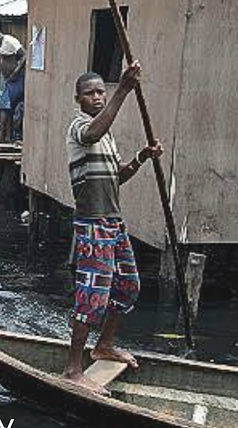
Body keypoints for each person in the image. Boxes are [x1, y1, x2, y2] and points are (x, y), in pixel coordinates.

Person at [64, 62, 163, 395]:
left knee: (128, 287)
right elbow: (93, 133)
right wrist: (123, 90)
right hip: (92, 224)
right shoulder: (80, 128)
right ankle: (73, 369)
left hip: (113, 223)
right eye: (90, 93)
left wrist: (142, 157)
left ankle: (103, 346)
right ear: (78, 99)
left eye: (100, 92)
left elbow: (117, 176)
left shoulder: (107, 136)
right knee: (91, 298)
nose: (96, 97)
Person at [0, 35, 26, 143]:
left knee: (5, 106)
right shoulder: (4, 44)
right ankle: (7, 137)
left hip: (15, 80)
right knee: (8, 108)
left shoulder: (10, 41)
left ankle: (1, 135)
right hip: (9, 80)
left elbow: (25, 55)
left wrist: (15, 72)